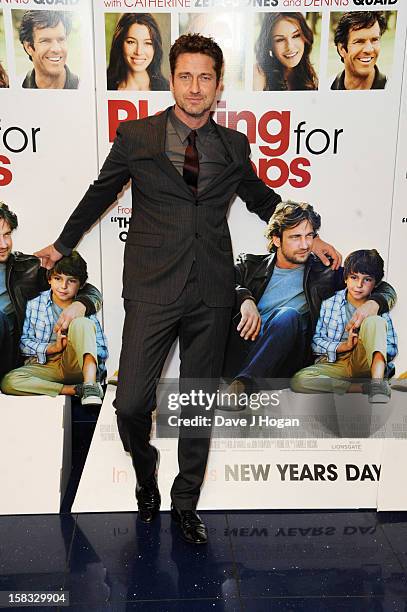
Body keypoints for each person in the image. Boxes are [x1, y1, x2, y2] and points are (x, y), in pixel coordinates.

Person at [35, 35, 339, 545]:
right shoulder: (138, 136)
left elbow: (263, 199)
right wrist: (63, 243)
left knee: (198, 400)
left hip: (212, 291)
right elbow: (100, 192)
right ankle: (146, 471)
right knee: (131, 403)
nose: (194, 88)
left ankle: (184, 501)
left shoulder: (232, 145)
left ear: (219, 86)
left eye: (205, 78)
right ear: (170, 79)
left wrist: (309, 229)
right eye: (185, 76)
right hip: (153, 287)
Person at [222, 203, 396, 408]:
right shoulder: (250, 265)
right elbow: (219, 282)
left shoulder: (325, 273)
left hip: (284, 359)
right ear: (277, 239)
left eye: (309, 236)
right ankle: (241, 380)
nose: (305, 245)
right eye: (296, 237)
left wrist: (374, 303)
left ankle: (242, 387)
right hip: (242, 349)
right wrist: (245, 299)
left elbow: (382, 287)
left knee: (289, 315)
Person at [0, 202, 101, 380]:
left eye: (7, 234)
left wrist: (81, 304)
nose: (3, 244)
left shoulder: (24, 269)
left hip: (6, 354)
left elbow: (86, 288)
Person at [1, 252, 108, 406]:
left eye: (71, 281)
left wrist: (81, 353)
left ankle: (90, 386)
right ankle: (74, 390)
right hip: (46, 365)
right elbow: (24, 343)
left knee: (81, 323)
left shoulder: (82, 306)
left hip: (75, 364)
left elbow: (100, 348)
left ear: (81, 284)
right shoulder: (35, 303)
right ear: (49, 279)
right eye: (58, 279)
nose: (63, 286)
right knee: (9, 381)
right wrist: (52, 348)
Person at [291, 250, 397, 403]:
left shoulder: (376, 307)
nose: (359, 285)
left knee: (375, 321)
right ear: (346, 278)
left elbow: (391, 347)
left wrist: (368, 341)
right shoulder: (330, 303)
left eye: (367, 280)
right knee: (300, 380)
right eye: (354, 277)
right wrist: (344, 346)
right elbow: (316, 342)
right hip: (336, 362)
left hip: (365, 362)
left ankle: (377, 385)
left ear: (376, 284)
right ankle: (361, 388)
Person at [254, 12, 318, 91]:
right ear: (269, 45)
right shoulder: (259, 74)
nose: (290, 47)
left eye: (296, 36)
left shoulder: (310, 73)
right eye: (280, 40)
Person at [106, 13, 169, 91]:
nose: (139, 52)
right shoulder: (106, 87)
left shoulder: (168, 89)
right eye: (131, 42)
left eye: (147, 43)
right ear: (120, 44)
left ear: (155, 48)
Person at [19, 10, 79, 89]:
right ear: (28, 47)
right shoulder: (16, 88)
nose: (56, 49)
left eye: (61, 39)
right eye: (45, 41)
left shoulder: (84, 88)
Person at [331, 11, 387, 91]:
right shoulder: (325, 88)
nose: (369, 49)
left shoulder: (394, 91)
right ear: (341, 49)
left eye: (375, 40)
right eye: (359, 41)